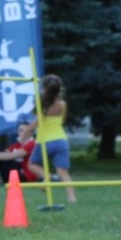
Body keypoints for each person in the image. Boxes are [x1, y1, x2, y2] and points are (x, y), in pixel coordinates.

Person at [29, 74, 76, 203]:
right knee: (63, 172)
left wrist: (24, 134)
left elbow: (36, 122)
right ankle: (72, 198)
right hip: (61, 140)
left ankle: (48, 177)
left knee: (32, 164)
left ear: (44, 89)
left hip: (44, 140)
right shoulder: (62, 104)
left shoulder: (42, 104)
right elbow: (62, 121)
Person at [0, 122, 41, 186]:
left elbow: (11, 156)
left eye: (24, 130)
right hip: (14, 174)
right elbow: (3, 154)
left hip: (26, 176)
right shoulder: (16, 145)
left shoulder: (32, 143)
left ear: (30, 132)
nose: (22, 133)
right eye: (20, 130)